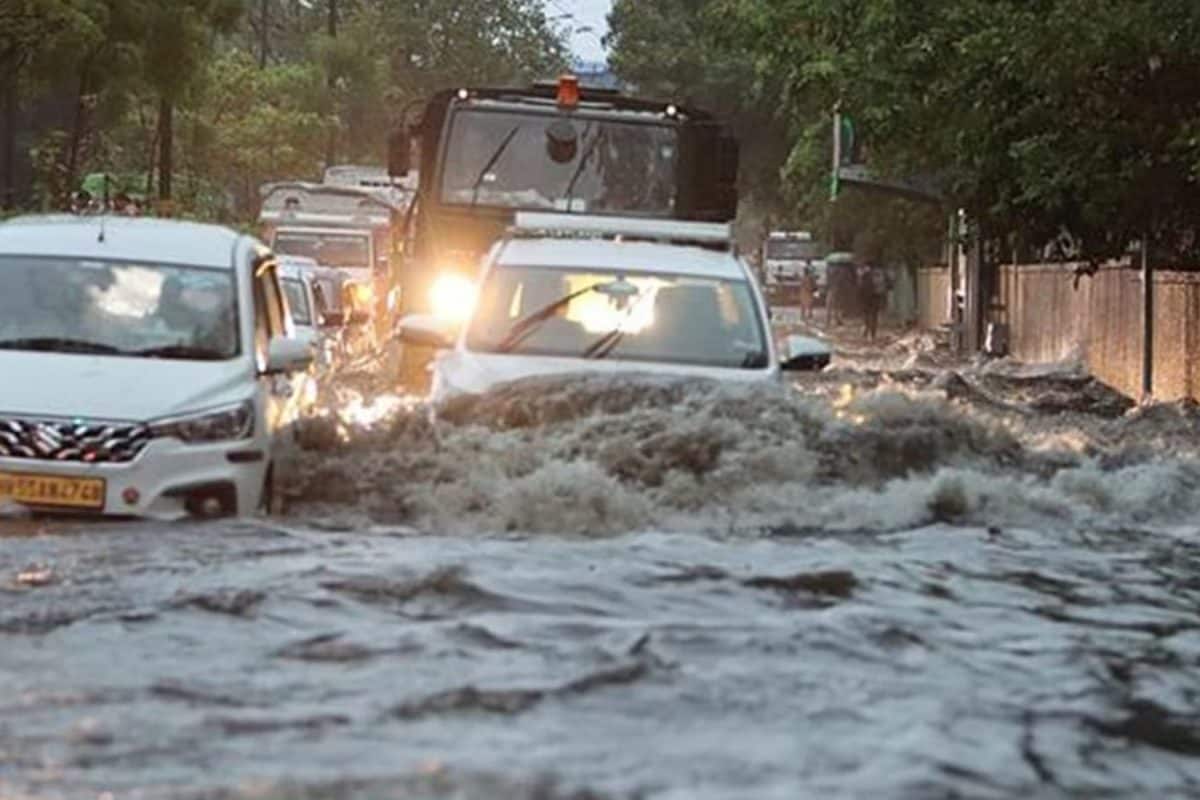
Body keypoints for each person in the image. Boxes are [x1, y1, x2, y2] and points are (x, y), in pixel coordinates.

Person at [859, 263, 889, 341]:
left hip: (866, 298)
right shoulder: (880, 273)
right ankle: (872, 334)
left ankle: (866, 329)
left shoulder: (865, 274)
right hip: (876, 297)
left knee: (866, 314)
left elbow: (860, 287)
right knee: (874, 315)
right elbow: (888, 285)